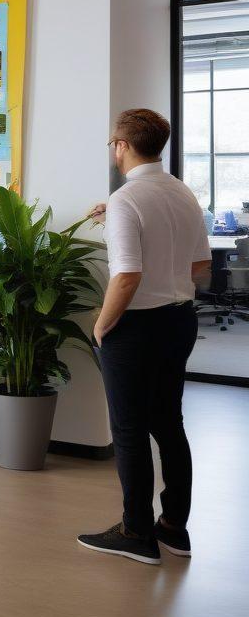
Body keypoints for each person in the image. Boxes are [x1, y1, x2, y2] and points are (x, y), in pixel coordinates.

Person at [78, 109, 211, 566]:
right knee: (168, 424)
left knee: (129, 429)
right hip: (180, 320)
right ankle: (173, 527)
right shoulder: (181, 192)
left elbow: (127, 276)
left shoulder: (126, 199)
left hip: (135, 327)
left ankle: (136, 532)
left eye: (112, 144)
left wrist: (101, 326)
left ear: (122, 145)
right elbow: (199, 265)